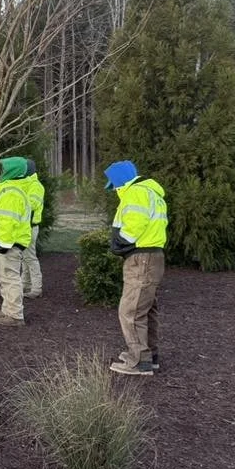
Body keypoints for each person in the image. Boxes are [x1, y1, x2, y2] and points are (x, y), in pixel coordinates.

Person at [104, 160, 167, 376]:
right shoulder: (152, 193)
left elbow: (135, 224)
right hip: (153, 256)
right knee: (146, 308)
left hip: (141, 258)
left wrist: (120, 241)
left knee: (130, 310)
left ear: (120, 182)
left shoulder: (136, 193)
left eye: (113, 186)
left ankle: (139, 361)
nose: (114, 191)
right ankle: (149, 354)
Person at [0, 156, 32, 326]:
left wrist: (1, 245)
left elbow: (7, 222)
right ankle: (7, 310)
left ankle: (15, 315)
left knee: (10, 277)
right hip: (9, 243)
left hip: (8, 244)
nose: (1, 171)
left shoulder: (11, 193)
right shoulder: (11, 190)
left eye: (4, 169)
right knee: (6, 277)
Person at [22, 159, 45, 298]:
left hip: (30, 227)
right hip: (27, 226)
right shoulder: (29, 184)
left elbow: (32, 205)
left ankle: (36, 288)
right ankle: (26, 284)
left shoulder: (35, 186)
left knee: (29, 257)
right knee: (25, 257)